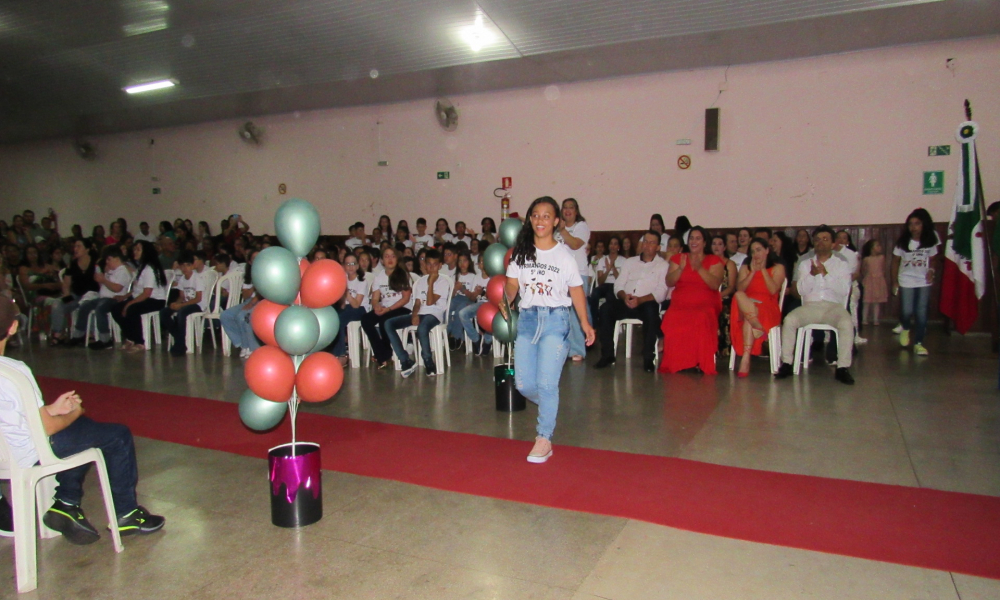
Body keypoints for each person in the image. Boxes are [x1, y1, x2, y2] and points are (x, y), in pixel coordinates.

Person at [0, 298, 164, 543]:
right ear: (13, 327)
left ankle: (67, 502)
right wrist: (73, 412)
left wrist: (53, 409)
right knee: (115, 435)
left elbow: (15, 414)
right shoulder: (13, 371)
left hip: (4, 451)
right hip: (27, 453)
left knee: (83, 432)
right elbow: (46, 428)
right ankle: (124, 513)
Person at [503, 197, 594, 463]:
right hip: (529, 320)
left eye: (546, 216)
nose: (540, 220)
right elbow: (512, 284)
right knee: (523, 384)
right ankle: (549, 405)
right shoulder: (521, 252)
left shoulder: (563, 254)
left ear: (555, 221)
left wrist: (585, 323)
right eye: (535, 215)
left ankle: (544, 438)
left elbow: (576, 289)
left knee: (546, 383)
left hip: (556, 320)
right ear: (530, 220)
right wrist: (507, 299)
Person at [775, 225, 855, 384]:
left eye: (825, 239)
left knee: (847, 323)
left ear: (833, 243)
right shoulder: (805, 264)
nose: (821, 242)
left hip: (833, 307)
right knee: (790, 320)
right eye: (817, 239)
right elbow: (800, 290)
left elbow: (844, 290)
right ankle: (787, 363)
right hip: (810, 306)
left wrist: (826, 274)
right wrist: (812, 275)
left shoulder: (841, 264)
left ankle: (842, 368)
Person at [595, 231, 669, 372]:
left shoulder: (662, 265)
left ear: (658, 247)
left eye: (652, 243)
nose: (647, 245)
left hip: (646, 302)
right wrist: (624, 296)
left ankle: (648, 358)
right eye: (645, 241)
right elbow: (618, 285)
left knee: (651, 310)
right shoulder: (630, 262)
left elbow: (661, 292)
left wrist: (640, 300)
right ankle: (608, 354)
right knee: (605, 308)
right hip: (626, 300)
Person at [658, 226, 724, 374]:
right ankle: (680, 362)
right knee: (673, 317)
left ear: (705, 242)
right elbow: (669, 282)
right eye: (691, 238)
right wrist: (680, 269)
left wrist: (700, 268)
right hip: (681, 303)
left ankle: (699, 361)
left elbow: (715, 284)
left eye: (698, 238)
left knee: (700, 317)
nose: (694, 241)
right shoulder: (678, 258)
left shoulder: (714, 260)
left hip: (705, 302)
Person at [385, 249, 450, 377]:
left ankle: (428, 361)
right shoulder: (420, 282)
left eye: (435, 264)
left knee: (422, 328)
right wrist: (414, 315)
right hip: (420, 313)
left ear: (440, 265)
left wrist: (431, 282)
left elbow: (430, 302)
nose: (431, 267)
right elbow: (417, 303)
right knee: (389, 323)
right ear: (425, 264)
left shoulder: (443, 282)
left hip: (434, 315)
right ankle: (405, 360)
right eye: (429, 264)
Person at [731, 239, 786, 376]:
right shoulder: (746, 267)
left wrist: (763, 271)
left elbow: (773, 290)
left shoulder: (778, 267)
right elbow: (740, 288)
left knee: (749, 319)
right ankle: (756, 325)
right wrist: (753, 272)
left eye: (759, 249)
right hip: (747, 304)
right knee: (739, 295)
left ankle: (745, 359)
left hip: (767, 306)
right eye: (753, 251)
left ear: (767, 250)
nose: (756, 254)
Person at [891, 208, 940, 356]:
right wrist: (894, 281)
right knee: (906, 310)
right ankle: (905, 327)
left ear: (923, 225)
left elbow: (933, 259)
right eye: (911, 224)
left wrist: (931, 271)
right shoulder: (903, 241)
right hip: (906, 279)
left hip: (923, 280)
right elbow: (895, 262)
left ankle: (918, 343)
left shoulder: (930, 240)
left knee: (921, 311)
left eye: (917, 223)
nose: (914, 227)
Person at [67, 248, 132, 349]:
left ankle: (105, 339)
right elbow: (103, 286)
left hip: (114, 299)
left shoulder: (122, 271)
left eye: (109, 260)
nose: (107, 262)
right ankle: (79, 335)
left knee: (100, 309)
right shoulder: (111, 271)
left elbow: (117, 288)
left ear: (117, 259)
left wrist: (104, 280)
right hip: (103, 297)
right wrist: (100, 280)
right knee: (85, 305)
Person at [111, 241, 169, 352]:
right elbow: (137, 290)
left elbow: (147, 293)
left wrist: (128, 304)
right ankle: (130, 337)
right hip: (143, 297)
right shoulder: (141, 267)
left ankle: (140, 341)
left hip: (155, 300)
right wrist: (124, 297)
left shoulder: (149, 269)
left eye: (138, 249)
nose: (134, 252)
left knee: (132, 309)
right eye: (134, 249)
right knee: (115, 308)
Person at [360, 247, 412, 368]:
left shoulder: (403, 274)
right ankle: (382, 354)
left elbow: (405, 299)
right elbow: (375, 298)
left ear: (397, 259)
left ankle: (384, 355)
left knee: (385, 320)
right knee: (366, 320)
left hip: (403, 307)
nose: (390, 259)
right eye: (386, 256)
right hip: (385, 307)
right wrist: (376, 306)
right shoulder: (379, 277)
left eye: (392, 256)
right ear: (382, 261)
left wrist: (387, 309)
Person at [555, 198, 591, 361]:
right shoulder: (556, 230)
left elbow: (575, 244)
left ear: (576, 211)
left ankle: (577, 349)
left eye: (571, 208)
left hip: (578, 275)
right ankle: (565, 347)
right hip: (560, 277)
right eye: (565, 208)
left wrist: (563, 231)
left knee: (577, 312)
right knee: (562, 313)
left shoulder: (581, 227)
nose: (568, 210)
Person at [49, 238, 100, 345]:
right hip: (77, 295)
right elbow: (66, 284)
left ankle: (90, 334)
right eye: (75, 246)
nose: (75, 249)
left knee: (86, 305)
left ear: (87, 249)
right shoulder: (72, 264)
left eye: (79, 246)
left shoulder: (96, 262)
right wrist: (67, 296)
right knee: (57, 304)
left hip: (94, 295)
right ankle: (58, 334)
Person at [159, 251, 205, 356]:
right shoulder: (182, 279)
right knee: (164, 312)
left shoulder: (197, 278)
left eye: (188, 265)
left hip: (198, 305)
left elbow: (198, 298)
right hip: (185, 303)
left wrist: (181, 305)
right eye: (182, 265)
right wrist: (176, 303)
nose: (185, 268)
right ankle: (180, 338)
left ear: (193, 265)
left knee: (182, 313)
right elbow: (181, 296)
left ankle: (180, 344)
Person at [330, 254, 371, 367]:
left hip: (360, 309)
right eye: (347, 264)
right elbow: (343, 305)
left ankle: (342, 354)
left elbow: (356, 304)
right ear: (344, 266)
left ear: (357, 266)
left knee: (340, 318)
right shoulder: (343, 279)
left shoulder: (362, 281)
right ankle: (336, 350)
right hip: (348, 308)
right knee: (333, 316)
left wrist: (346, 291)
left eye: (353, 264)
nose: (350, 267)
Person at [220, 251, 260, 359]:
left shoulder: (267, 272)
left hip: (261, 301)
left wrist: (253, 302)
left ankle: (252, 347)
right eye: (254, 259)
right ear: (250, 262)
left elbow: (264, 294)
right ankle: (243, 343)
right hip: (249, 300)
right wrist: (254, 284)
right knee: (225, 315)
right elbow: (246, 295)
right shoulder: (249, 274)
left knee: (243, 316)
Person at [457, 253, 492, 356]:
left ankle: (487, 341)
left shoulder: (493, 277)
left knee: (490, 316)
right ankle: (476, 338)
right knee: (462, 313)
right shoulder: (477, 277)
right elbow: (472, 297)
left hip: (491, 305)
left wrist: (483, 292)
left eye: (485, 261)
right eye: (481, 262)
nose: (483, 264)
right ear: (478, 265)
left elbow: (495, 297)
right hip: (479, 304)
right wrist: (476, 293)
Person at [712, 234, 739, 355]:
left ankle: (724, 348)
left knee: (724, 310)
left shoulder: (730, 264)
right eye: (714, 244)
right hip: (709, 297)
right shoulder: (706, 263)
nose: (717, 247)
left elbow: (731, 287)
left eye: (720, 244)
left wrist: (718, 295)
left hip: (725, 297)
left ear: (724, 247)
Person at [589, 236, 625, 328]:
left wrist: (613, 267)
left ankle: (609, 324)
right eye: (611, 244)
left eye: (615, 244)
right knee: (595, 293)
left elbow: (622, 279)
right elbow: (600, 281)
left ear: (618, 247)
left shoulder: (623, 260)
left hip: (616, 285)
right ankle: (594, 323)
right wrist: (607, 270)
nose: (613, 246)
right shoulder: (602, 260)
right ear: (608, 246)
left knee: (610, 296)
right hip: (604, 285)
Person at [446, 252, 478, 349]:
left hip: (467, 299)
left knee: (459, 310)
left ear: (469, 262)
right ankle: (446, 332)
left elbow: (473, 297)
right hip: (456, 298)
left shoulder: (473, 276)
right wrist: (455, 289)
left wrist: (462, 289)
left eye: (464, 261)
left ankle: (454, 336)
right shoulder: (455, 276)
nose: (462, 264)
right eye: (459, 261)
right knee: (448, 308)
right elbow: (450, 297)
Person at [861, 239, 888, 326]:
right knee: (866, 301)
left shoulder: (882, 258)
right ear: (871, 248)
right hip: (869, 281)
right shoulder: (866, 259)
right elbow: (863, 270)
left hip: (879, 281)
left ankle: (876, 319)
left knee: (877, 302)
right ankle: (864, 319)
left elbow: (883, 269)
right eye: (877, 245)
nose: (879, 247)